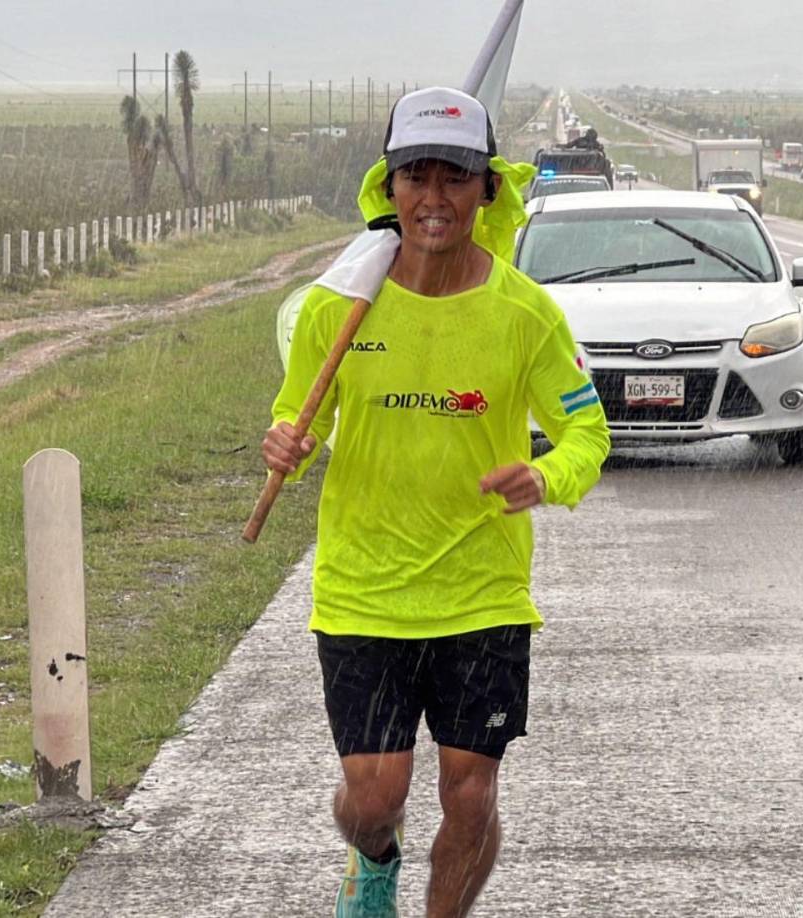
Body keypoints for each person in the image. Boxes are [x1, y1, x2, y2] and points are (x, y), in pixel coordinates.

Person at [261, 86, 610, 918]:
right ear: (388, 189)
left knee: (471, 795)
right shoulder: (337, 306)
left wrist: (546, 476)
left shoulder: (525, 315)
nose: (434, 198)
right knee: (372, 800)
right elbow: (294, 411)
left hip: (481, 593)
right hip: (363, 592)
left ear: (486, 190)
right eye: (415, 177)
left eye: (454, 179)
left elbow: (585, 432)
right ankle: (373, 861)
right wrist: (285, 440)